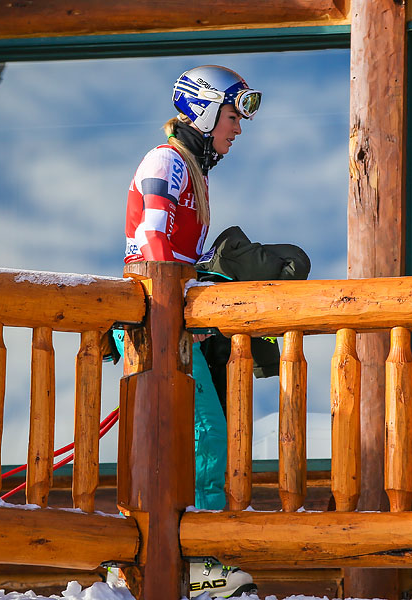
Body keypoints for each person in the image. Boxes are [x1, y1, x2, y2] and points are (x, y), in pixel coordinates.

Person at [121, 65, 260, 599]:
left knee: (168, 437)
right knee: (199, 433)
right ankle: (198, 559)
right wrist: (175, 311)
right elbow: (152, 239)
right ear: (203, 110)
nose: (237, 130)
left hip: (167, 318)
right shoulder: (166, 161)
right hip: (156, 319)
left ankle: (149, 555)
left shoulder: (193, 171)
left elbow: (180, 255)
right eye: (232, 116)